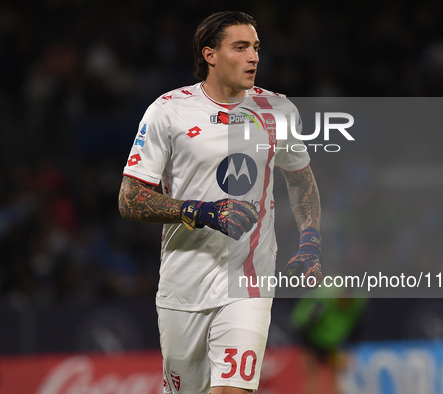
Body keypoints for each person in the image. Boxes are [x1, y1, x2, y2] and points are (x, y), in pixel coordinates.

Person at [118, 11, 322, 393]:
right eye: (241, 47)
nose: (254, 57)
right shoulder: (168, 111)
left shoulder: (279, 111)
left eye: (256, 48)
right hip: (184, 285)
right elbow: (130, 199)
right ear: (210, 54)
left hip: (249, 282)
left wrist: (310, 240)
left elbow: (301, 182)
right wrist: (199, 211)